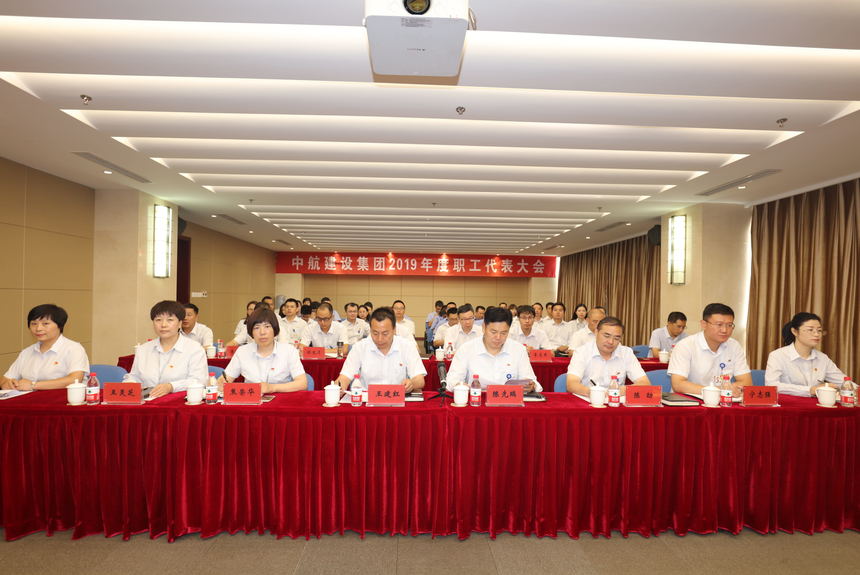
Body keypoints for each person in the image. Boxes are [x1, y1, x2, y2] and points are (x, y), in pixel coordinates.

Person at [123, 300, 208, 398]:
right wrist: (130, 384)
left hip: (178, 403)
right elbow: (134, 376)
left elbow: (198, 380)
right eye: (158, 320)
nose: (163, 325)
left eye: (170, 320)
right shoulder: (143, 349)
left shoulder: (195, 349)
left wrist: (171, 387)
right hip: (146, 402)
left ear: (180, 323)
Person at [668, 303, 752, 396]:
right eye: (719, 324)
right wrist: (717, 391)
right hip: (689, 401)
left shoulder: (734, 346)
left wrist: (727, 390)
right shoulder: (685, 346)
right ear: (704, 324)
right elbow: (678, 384)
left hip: (723, 401)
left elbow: (746, 382)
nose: (724, 330)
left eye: (729, 325)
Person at [336, 307, 426, 392]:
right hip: (367, 398)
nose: (379, 339)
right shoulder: (359, 347)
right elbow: (345, 377)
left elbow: (419, 380)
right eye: (375, 333)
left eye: (385, 333)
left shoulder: (407, 346)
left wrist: (411, 383)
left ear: (394, 330)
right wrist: (338, 388)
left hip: (397, 397)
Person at [1, 304, 89, 391]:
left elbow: (74, 379)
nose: (38, 328)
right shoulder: (26, 352)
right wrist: (9, 383)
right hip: (30, 399)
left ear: (60, 325)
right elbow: (5, 379)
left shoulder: (73, 348)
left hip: (63, 398)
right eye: (34, 324)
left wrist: (33, 385)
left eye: (45, 323)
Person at [446, 307, 536, 392]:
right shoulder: (466, 349)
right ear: (483, 327)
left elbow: (530, 380)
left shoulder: (519, 350)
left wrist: (530, 386)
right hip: (477, 398)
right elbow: (452, 381)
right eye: (493, 332)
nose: (498, 337)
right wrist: (460, 386)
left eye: (503, 333)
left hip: (508, 400)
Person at [220, 308, 308, 393]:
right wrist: (218, 383)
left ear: (275, 329)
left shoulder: (289, 351)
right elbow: (224, 380)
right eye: (256, 328)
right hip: (251, 400)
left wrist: (272, 388)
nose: (262, 332)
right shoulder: (242, 352)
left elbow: (302, 383)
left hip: (282, 400)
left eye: (267, 326)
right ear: (251, 332)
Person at [764, 312, 848, 397]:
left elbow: (844, 382)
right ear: (794, 331)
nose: (816, 334)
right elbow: (771, 385)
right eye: (810, 330)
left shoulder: (823, 358)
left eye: (819, 330)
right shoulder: (778, 356)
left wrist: (852, 388)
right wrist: (810, 390)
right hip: (787, 403)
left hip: (815, 404)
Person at [566, 317, 650, 396]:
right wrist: (596, 393)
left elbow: (645, 383)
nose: (611, 342)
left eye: (616, 338)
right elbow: (572, 384)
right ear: (596, 332)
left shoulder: (626, 353)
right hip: (589, 400)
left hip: (616, 401)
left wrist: (618, 391)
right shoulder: (582, 352)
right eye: (606, 336)